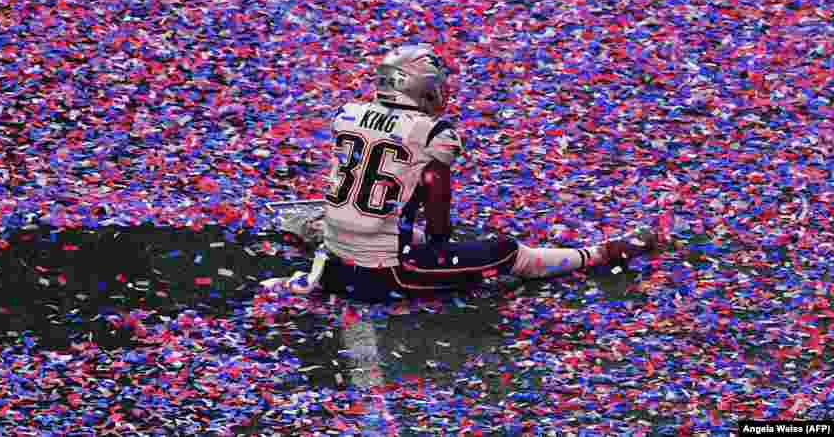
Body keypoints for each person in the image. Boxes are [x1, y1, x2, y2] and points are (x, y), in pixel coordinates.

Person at [266, 43, 660, 301]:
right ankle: (600, 253)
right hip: (384, 275)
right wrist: (439, 245)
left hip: (334, 260)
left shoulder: (347, 114)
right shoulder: (433, 133)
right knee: (505, 251)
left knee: (395, 226)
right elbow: (436, 197)